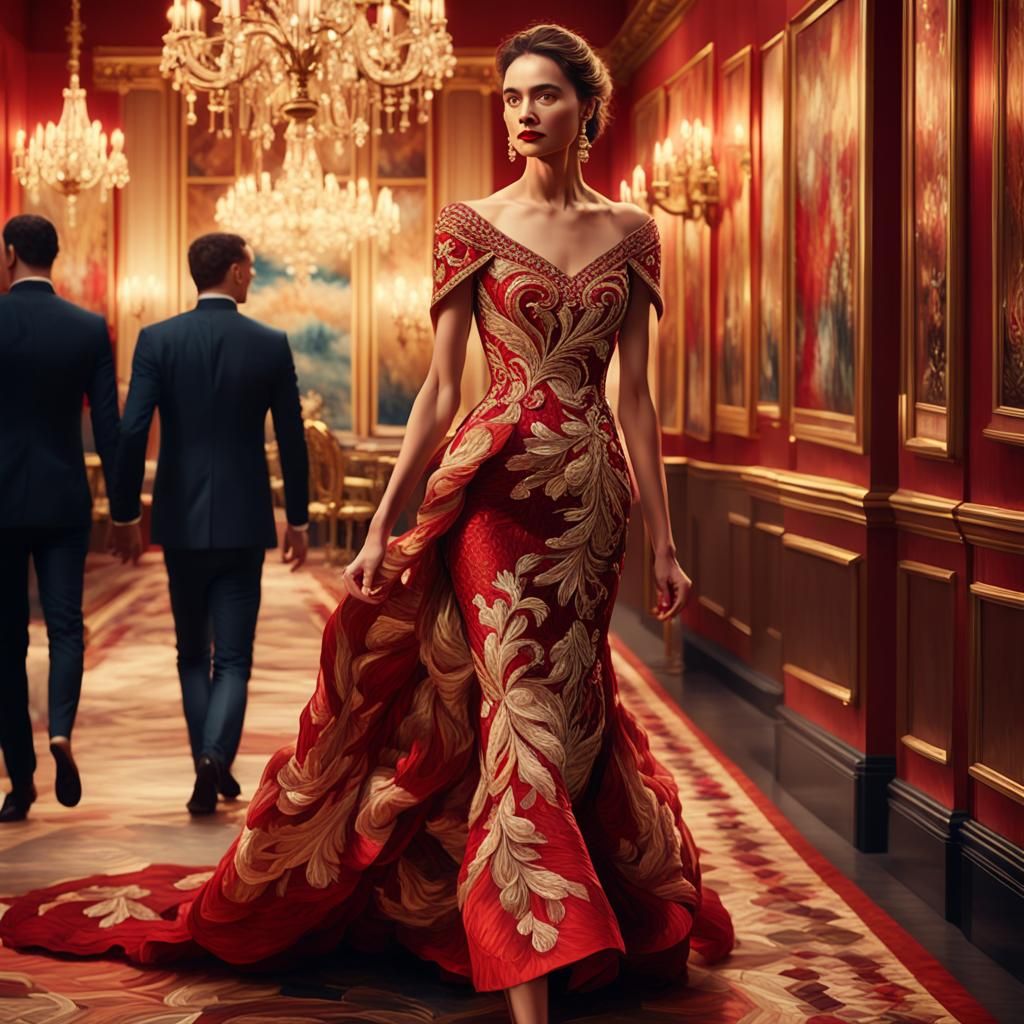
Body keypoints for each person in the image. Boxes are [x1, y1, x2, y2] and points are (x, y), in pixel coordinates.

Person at [0, 24, 733, 1024]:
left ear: (585, 107)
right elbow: (437, 389)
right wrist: (388, 518)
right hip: (491, 493)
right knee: (516, 712)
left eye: (545, 95)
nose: (524, 112)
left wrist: (667, 540)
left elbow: (638, 397)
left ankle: (532, 905)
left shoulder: (634, 234)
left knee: (560, 718)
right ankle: (531, 985)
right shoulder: (469, 223)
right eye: (512, 95)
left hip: (590, 502)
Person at [108, 233, 310, 816]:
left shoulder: (158, 340)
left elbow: (128, 431)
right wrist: (297, 518)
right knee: (236, 658)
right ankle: (214, 758)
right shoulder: (270, 344)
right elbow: (291, 441)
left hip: (179, 519)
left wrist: (125, 513)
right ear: (234, 271)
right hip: (246, 520)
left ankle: (209, 757)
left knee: (191, 654)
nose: (252, 273)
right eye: (248, 265)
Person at [0, 214, 121, 822]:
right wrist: (123, 509)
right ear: (53, 256)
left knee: (7, 641)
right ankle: (61, 729)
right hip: (64, 499)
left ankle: (19, 782)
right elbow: (107, 427)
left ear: (11, 253)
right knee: (67, 625)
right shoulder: (87, 328)